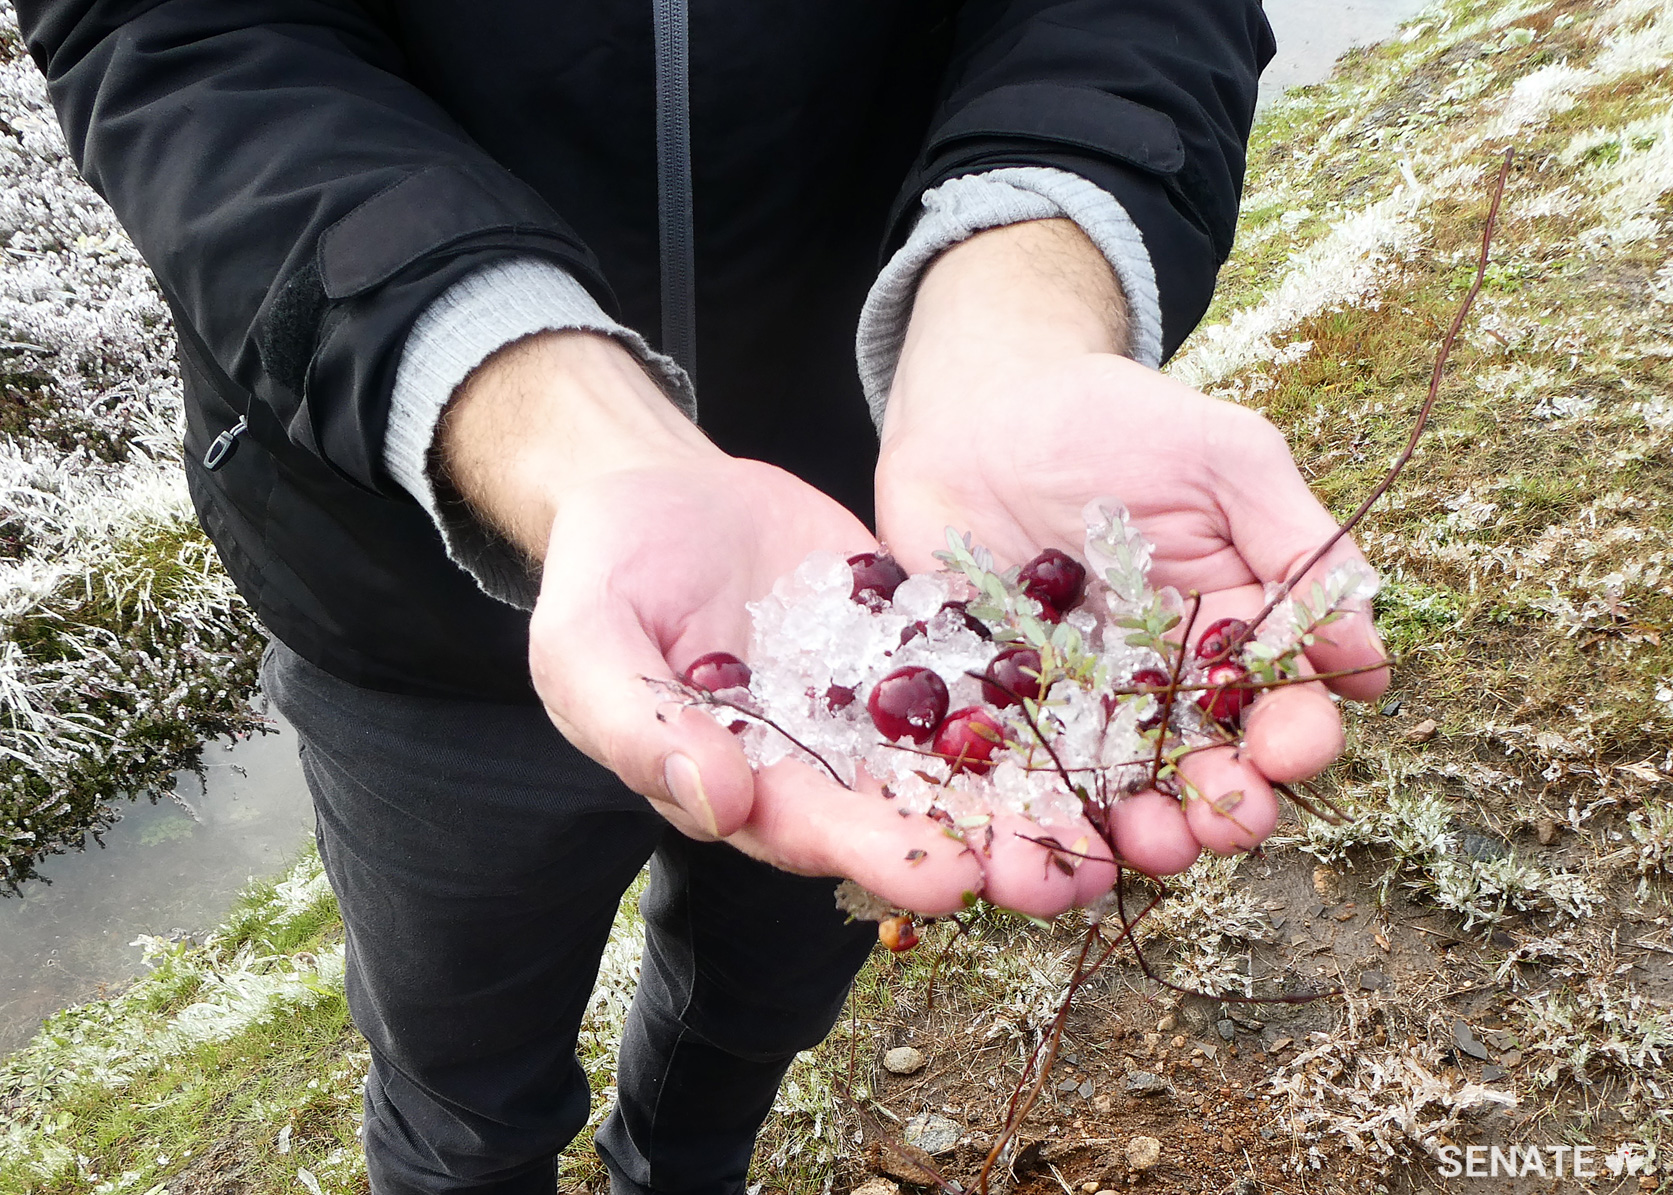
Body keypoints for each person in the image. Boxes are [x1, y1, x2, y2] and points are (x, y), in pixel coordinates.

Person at [17, 2, 1388, 1191]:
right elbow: (182, 32)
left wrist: (1015, 314)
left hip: (876, 546)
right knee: (459, 1089)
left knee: (755, 1004)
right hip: (405, 603)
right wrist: (539, 417)